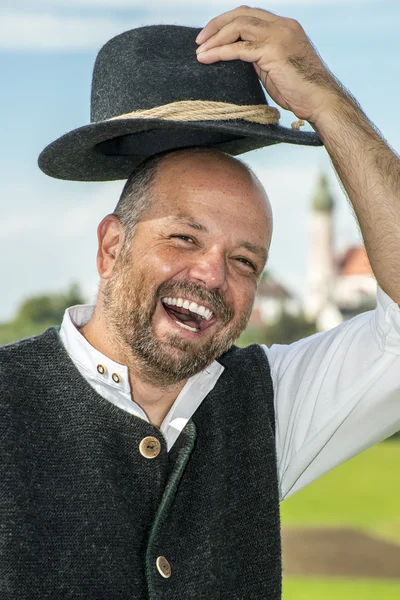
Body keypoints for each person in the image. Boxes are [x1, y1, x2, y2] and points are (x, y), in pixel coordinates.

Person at [1, 6, 399, 599]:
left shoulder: (271, 407)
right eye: (184, 238)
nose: (212, 275)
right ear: (112, 246)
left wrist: (325, 100)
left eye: (245, 261)